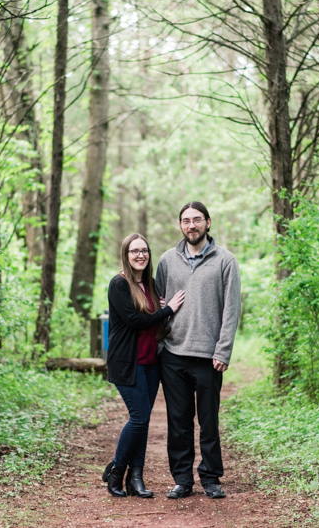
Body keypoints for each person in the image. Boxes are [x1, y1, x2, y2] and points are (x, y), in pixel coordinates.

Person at [155, 201, 241, 500]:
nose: (191, 225)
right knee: (178, 422)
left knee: (208, 421)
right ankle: (182, 479)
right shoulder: (167, 260)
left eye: (196, 220)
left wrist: (223, 350)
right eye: (185, 220)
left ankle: (210, 478)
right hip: (173, 354)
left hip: (208, 356)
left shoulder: (225, 260)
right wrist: (158, 346)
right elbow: (158, 304)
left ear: (208, 222)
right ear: (180, 225)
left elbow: (232, 309)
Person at [102, 233, 185, 498]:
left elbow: (153, 321)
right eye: (134, 251)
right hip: (128, 362)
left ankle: (136, 479)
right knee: (139, 418)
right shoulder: (119, 284)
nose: (140, 255)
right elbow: (135, 321)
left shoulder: (150, 285)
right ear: (126, 255)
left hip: (151, 361)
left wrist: (161, 308)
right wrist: (168, 309)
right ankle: (116, 470)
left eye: (145, 250)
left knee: (144, 420)